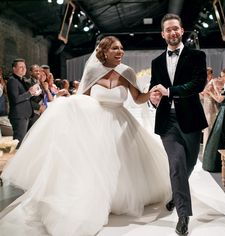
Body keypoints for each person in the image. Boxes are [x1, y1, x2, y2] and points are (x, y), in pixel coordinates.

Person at [0, 36, 171, 236]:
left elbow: (138, 98)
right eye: (115, 48)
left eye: (122, 48)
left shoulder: (127, 72)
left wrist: (150, 93)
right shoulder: (93, 71)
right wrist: (67, 98)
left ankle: (119, 197)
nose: (120, 52)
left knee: (123, 163)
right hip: (96, 124)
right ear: (104, 51)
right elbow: (83, 98)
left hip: (122, 124)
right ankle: (98, 197)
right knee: (97, 165)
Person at [149, 14, 208, 235]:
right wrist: (154, 99)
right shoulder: (156, 62)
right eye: (168, 30)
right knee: (176, 164)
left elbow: (198, 84)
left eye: (176, 29)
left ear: (181, 31)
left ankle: (176, 195)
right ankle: (183, 216)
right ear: (163, 34)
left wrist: (170, 91)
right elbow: (156, 89)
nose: (172, 33)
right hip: (168, 122)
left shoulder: (197, 56)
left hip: (191, 120)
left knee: (189, 164)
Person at [202, 67, 225, 172]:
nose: (222, 78)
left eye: (223, 76)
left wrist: (211, 92)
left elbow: (220, 100)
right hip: (223, 113)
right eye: (221, 76)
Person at [6, 58, 42, 148]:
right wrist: (29, 93)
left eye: (24, 67)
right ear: (14, 69)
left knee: (25, 144)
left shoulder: (22, 80)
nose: (24, 69)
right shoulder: (12, 80)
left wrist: (34, 92)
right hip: (19, 116)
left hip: (26, 115)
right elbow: (15, 99)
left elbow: (28, 98)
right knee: (18, 145)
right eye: (20, 67)